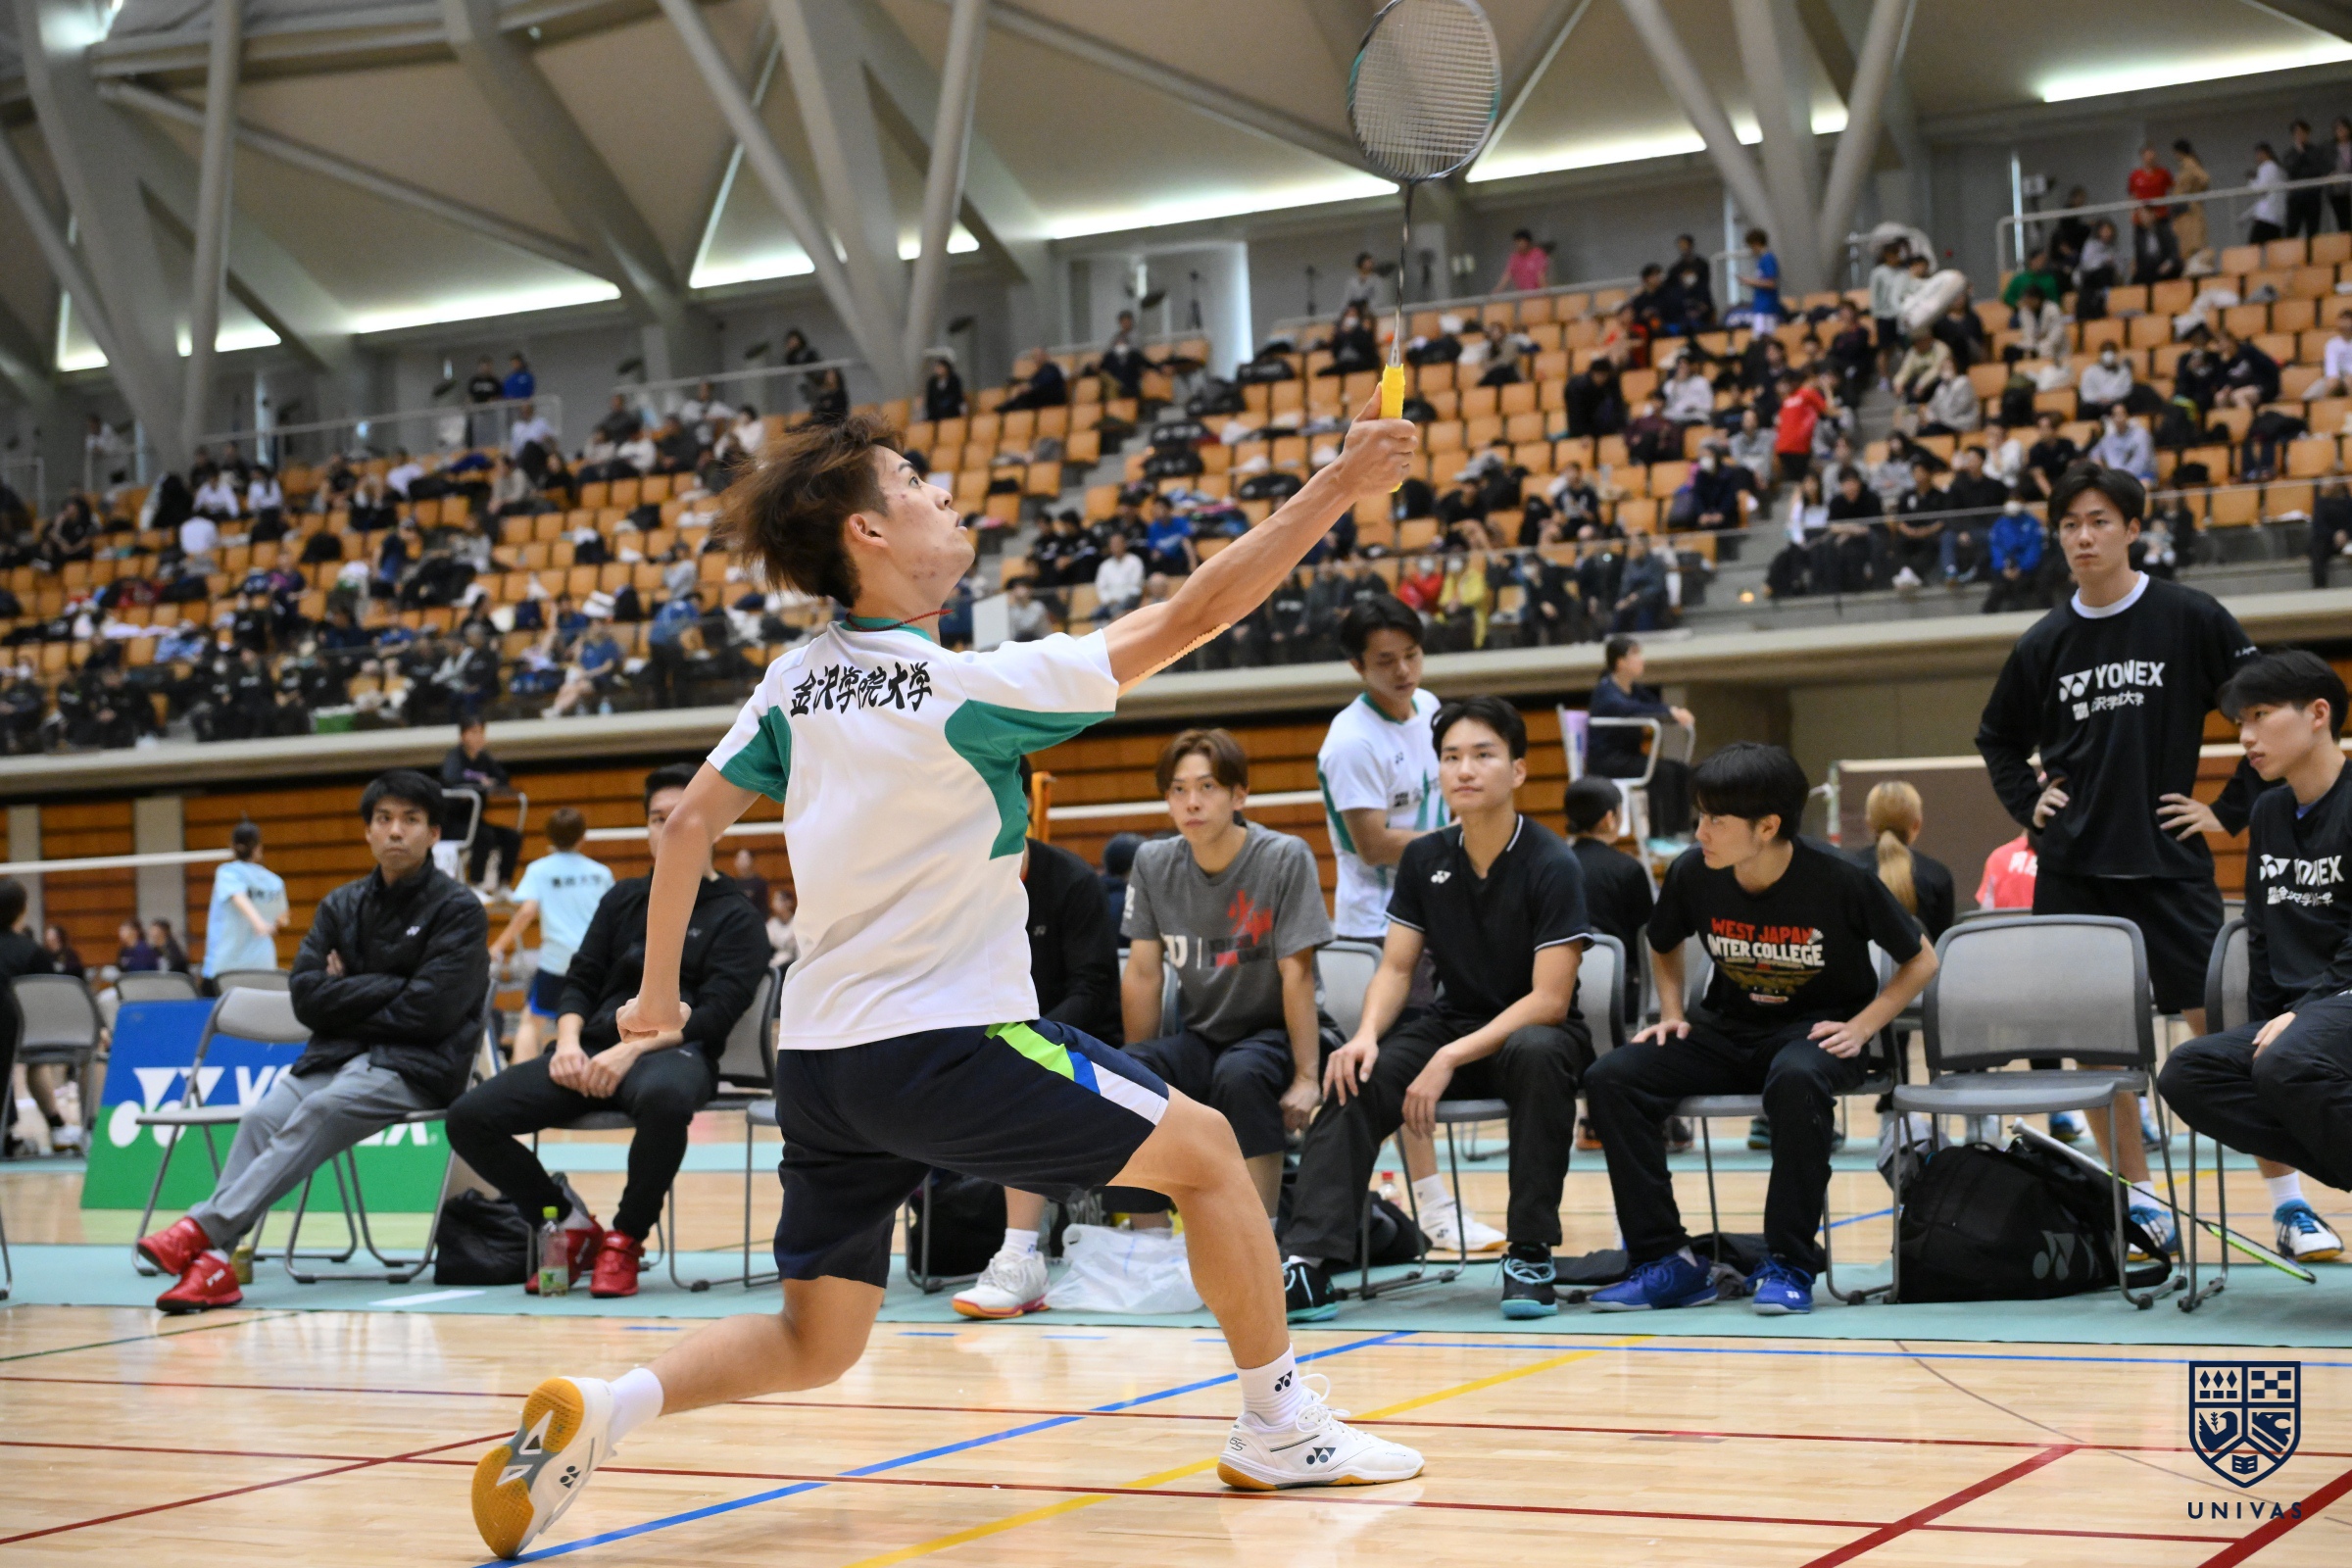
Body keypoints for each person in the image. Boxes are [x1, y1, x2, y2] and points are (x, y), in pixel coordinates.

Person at [469, 397, 1426, 1556]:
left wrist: (657, 998)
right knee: (1214, 1157)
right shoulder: (963, 691)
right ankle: (1279, 1423)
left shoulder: (794, 681)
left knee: (819, 1338)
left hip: (822, 1064)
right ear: (868, 533)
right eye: (915, 483)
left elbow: (683, 831)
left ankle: (608, 1406)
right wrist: (1337, 485)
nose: (942, 493)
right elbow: (1194, 612)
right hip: (949, 1043)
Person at [1976, 463, 2265, 1249]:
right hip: (2075, 871)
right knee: (2098, 1051)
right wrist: (2028, 802)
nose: (2084, 537)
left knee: (2226, 1032)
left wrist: (2226, 810)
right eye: (2070, 524)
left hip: (2171, 864)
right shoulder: (2044, 642)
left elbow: (2264, 701)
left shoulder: (2190, 616)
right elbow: (1997, 737)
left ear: (2133, 529)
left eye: (2100, 521)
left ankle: (2286, 1202)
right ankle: (2140, 1202)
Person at [964, 731, 1340, 1319]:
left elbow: (1297, 974)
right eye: (1178, 790)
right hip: (1202, 1035)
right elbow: (1142, 973)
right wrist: (1134, 1074)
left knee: (1241, 1074)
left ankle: (1260, 1248)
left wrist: (1307, 1076)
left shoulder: (1283, 856)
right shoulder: (1155, 861)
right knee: (1129, 1076)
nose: (1192, 802)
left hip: (1271, 1036)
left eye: (1207, 788)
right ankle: (1152, 1244)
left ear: (1239, 794)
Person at [1584, 744, 1937, 1315]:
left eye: (1715, 820)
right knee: (1611, 1078)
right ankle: (1668, 1262)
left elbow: (1921, 959)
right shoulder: (1693, 872)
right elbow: (1663, 942)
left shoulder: (1842, 877)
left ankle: (1789, 1263)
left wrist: (1863, 1026)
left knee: (1796, 1078)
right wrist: (1671, 1013)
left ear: (1768, 826)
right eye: (1700, 816)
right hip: (1725, 1033)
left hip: (1815, 1036)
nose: (1700, 832)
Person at [1281, 698, 1591, 1322]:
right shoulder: (1425, 858)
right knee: (1353, 1072)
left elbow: (1549, 1000)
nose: (1464, 770)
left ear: (1519, 770)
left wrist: (1449, 1057)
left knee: (1537, 1054)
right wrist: (1366, 1034)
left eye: (1482, 755)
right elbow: (1397, 968)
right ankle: (1309, 1263)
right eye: (1450, 757)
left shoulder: (1552, 861)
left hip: (1535, 1032)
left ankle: (1529, 1253)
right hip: (1453, 1024)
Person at [134, 771, 489, 1312]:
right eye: (384, 819)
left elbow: (431, 1010)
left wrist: (347, 990)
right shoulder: (340, 905)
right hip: (336, 1057)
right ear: (368, 831)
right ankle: (214, 1266)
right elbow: (306, 997)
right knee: (261, 1118)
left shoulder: (458, 910)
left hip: (417, 1066)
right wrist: (390, 985)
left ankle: (200, 1229)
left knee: (323, 1109)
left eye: (411, 820)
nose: (396, 831)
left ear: (434, 833)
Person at [447, 766, 769, 1298]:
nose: (668, 829)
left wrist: (630, 1051)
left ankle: (625, 1239)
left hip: (675, 1053)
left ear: (710, 825)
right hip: (591, 1050)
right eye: (657, 819)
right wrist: (569, 1043)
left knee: (666, 1099)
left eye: (681, 818)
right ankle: (566, 1222)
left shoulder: (738, 917)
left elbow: (715, 1014)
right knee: (469, 1117)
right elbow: (580, 979)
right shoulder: (621, 900)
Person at [2157, 651, 2352, 1262]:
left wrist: (2306, 1011)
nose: (2245, 737)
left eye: (2260, 716)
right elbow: (2262, 934)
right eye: (2240, 722)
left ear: (2318, 714)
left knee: (2283, 1064)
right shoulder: (2268, 812)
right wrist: (2272, 1017)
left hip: (2342, 1001)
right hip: (2301, 1019)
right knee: (2189, 1073)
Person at [1312, 596, 1492, 1248]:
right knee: (1400, 1064)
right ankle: (1433, 1207)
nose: (1404, 671)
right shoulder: (1351, 742)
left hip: (1443, 917)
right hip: (1376, 929)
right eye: (1385, 661)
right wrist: (1467, 840)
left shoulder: (1433, 710)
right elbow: (1372, 844)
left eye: (1412, 655)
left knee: (1429, 1058)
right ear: (1358, 667)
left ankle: (1421, 1206)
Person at [488, 808, 614, 1064]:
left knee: (531, 1021)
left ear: (549, 836)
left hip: (556, 961)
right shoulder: (601, 873)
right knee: (593, 1020)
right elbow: (612, 916)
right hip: (594, 959)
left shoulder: (539, 870)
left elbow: (527, 912)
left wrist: (498, 945)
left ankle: (518, 1078)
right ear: (583, 836)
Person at [1589, 635, 1692, 838]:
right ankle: (1660, 835)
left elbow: (1653, 705)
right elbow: (1629, 708)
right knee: (1661, 772)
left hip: (1630, 757)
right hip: (1608, 760)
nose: (1641, 659)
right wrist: (1670, 713)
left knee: (1680, 769)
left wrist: (1673, 712)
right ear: (1620, 662)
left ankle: (1681, 831)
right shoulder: (1605, 691)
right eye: (1635, 654)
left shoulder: (1634, 689)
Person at [1848, 781, 1954, 942]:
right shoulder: (1938, 875)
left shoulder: (1846, 871)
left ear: (1869, 824)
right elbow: (1941, 946)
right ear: (1917, 824)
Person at [196, 818, 287, 988]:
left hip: (226, 967)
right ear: (258, 848)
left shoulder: (227, 872)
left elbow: (239, 897)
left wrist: (258, 923)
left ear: (232, 846)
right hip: (262, 964)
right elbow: (282, 917)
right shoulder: (275, 882)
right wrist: (268, 923)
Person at [442, 718, 523, 893]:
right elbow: (451, 779)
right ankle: (476, 884)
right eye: (474, 732)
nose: (479, 737)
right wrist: (479, 782)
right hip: (452, 824)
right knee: (484, 836)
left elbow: (502, 778)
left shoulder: (484, 758)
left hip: (476, 821)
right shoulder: (455, 757)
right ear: (463, 736)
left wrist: (492, 782)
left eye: (481, 732)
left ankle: (503, 886)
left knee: (512, 837)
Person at [1738, 228, 1781, 330]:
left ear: (1756, 243)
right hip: (1761, 306)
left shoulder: (1768, 258)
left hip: (1767, 307)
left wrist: (1750, 281)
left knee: (1763, 337)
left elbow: (1771, 283)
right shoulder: (1761, 260)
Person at [2249, 141, 2288, 246]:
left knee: (2254, 246)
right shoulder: (2276, 168)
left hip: (2267, 217)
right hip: (2276, 217)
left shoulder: (2268, 167)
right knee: (2273, 247)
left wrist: (2252, 181)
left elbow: (2261, 189)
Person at [1495, 228, 1548, 294]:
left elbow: (1540, 276)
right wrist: (1495, 292)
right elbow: (1507, 276)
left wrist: (1547, 294)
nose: (1518, 244)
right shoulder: (1515, 257)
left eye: (1520, 241)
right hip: (1524, 296)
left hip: (1538, 294)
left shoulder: (1537, 254)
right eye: (1516, 242)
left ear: (1527, 242)